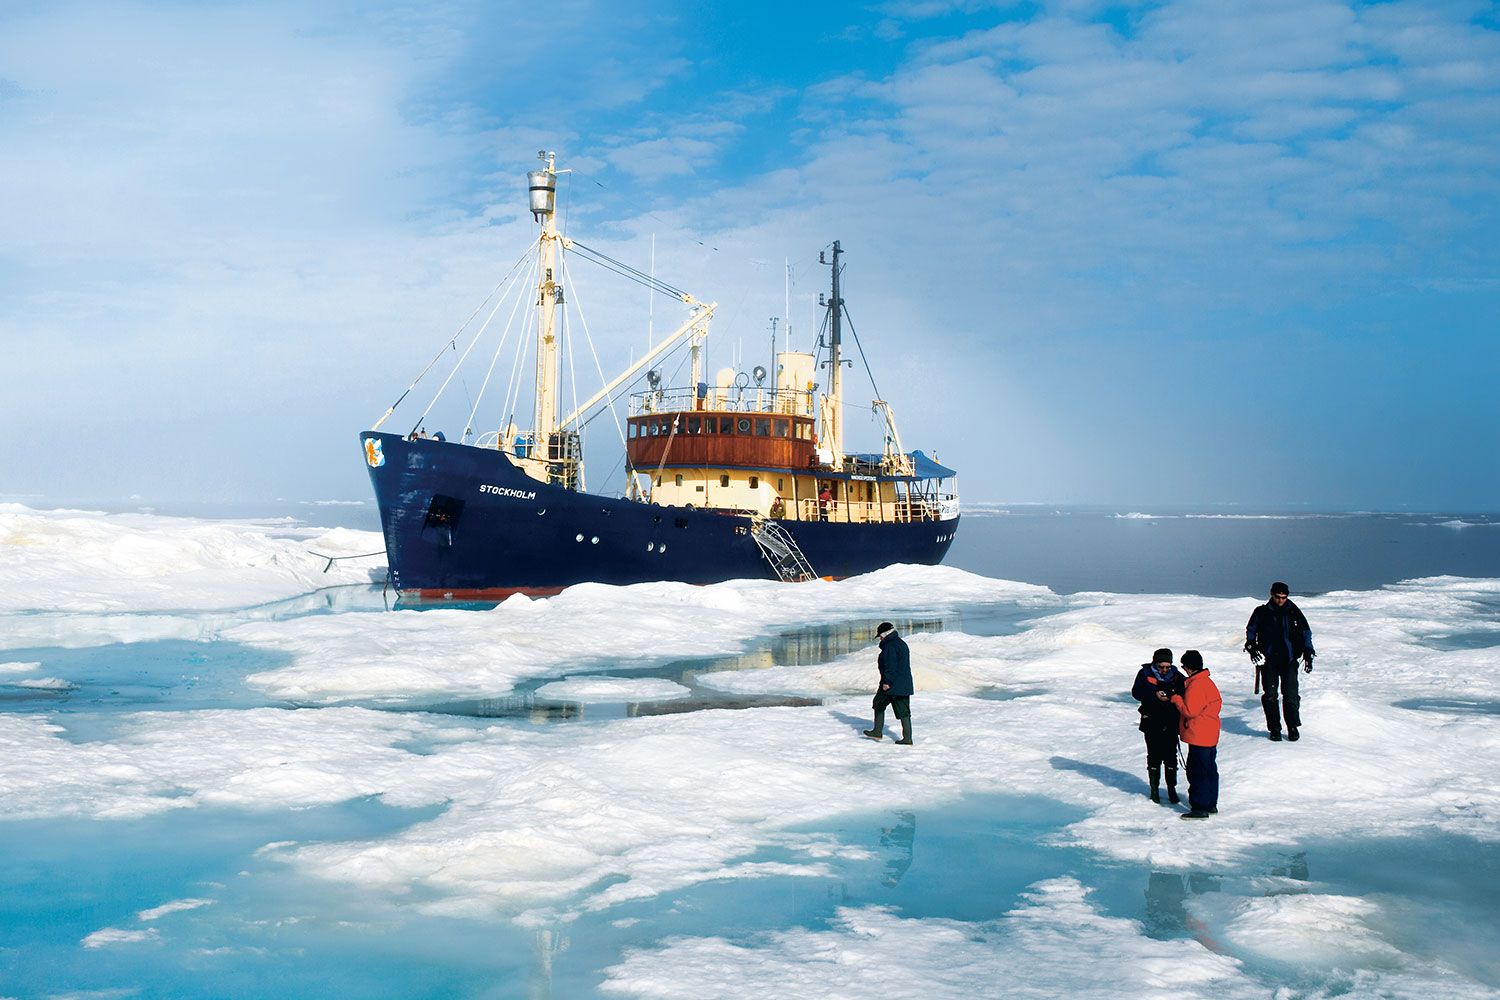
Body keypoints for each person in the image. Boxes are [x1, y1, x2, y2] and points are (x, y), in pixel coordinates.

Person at [1245, 581, 1316, 742]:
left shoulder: (1293, 611)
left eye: (1284, 597)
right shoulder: (1261, 612)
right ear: (1271, 594)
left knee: (1291, 695)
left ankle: (1292, 726)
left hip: (1289, 659)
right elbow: (1251, 631)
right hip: (1268, 660)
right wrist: (1252, 647)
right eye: (1278, 597)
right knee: (1270, 695)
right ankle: (1275, 728)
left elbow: (1306, 632)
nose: (1281, 600)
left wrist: (1309, 651)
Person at [1170, 650, 1221, 820]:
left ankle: (1199, 808)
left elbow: (1190, 711)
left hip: (1199, 734)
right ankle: (1210, 803)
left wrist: (1176, 698)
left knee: (1197, 772)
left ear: (1190, 668)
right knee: (1209, 770)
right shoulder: (1206, 681)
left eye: (1184, 667)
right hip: (1209, 733)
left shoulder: (1196, 685)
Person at [1131, 648, 1183, 804]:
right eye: (1162, 666)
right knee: (1154, 755)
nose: (1165, 669)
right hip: (1151, 720)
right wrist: (1153, 694)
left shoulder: (1177, 676)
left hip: (1171, 721)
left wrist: (1172, 695)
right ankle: (1154, 789)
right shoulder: (1144, 674)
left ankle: (1171, 789)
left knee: (1170, 756)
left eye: (1168, 666)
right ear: (1155, 663)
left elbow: (1184, 691)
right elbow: (1136, 692)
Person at [864, 622, 914, 745]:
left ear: (885, 634)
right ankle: (907, 738)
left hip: (892, 684)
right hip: (903, 684)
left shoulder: (890, 646)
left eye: (880, 636)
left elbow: (890, 666)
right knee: (904, 711)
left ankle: (877, 731)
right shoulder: (900, 643)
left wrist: (887, 682)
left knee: (878, 704)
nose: (880, 638)